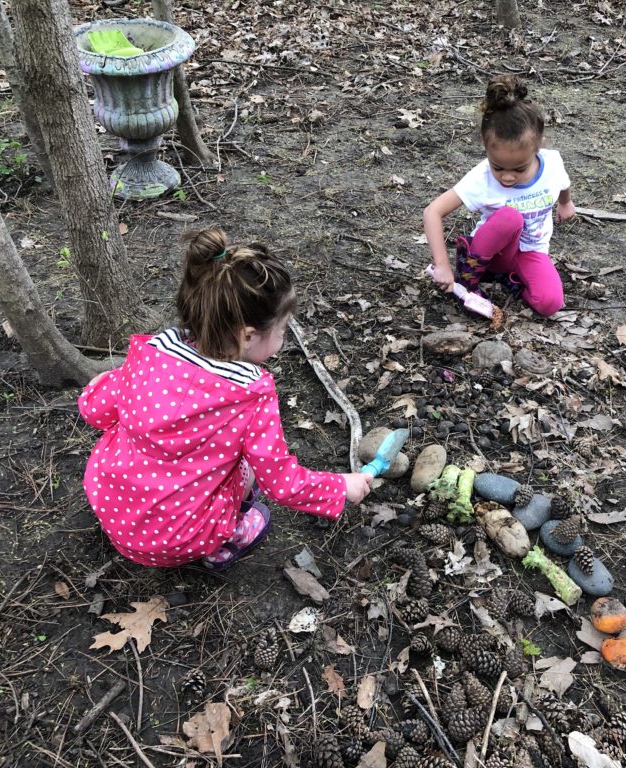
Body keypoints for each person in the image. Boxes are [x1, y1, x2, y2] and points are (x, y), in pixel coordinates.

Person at [77, 229, 373, 570]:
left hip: (114, 510)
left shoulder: (150, 356)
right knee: (247, 469)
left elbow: (94, 411)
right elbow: (281, 483)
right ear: (247, 335)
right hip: (180, 538)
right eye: (281, 329)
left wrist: (99, 384)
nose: (283, 338)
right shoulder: (249, 396)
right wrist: (339, 487)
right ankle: (226, 542)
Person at [423, 74, 575, 317]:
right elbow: (433, 212)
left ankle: (514, 282)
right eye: (498, 167)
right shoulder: (482, 177)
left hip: (532, 249)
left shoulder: (552, 162)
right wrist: (442, 265)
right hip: (492, 252)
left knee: (550, 303)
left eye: (519, 169)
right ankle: (469, 277)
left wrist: (566, 204)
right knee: (510, 217)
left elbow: (563, 184)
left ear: (539, 147)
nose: (507, 177)